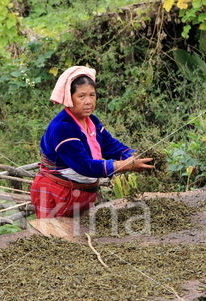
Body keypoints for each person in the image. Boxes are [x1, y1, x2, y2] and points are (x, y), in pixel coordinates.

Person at [30, 65, 154, 218]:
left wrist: (134, 155)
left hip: (81, 192)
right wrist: (123, 165)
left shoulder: (91, 121)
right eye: (81, 96)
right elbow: (84, 166)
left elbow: (110, 146)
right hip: (57, 194)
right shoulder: (63, 127)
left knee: (81, 235)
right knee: (55, 238)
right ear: (70, 98)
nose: (88, 101)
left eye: (92, 95)